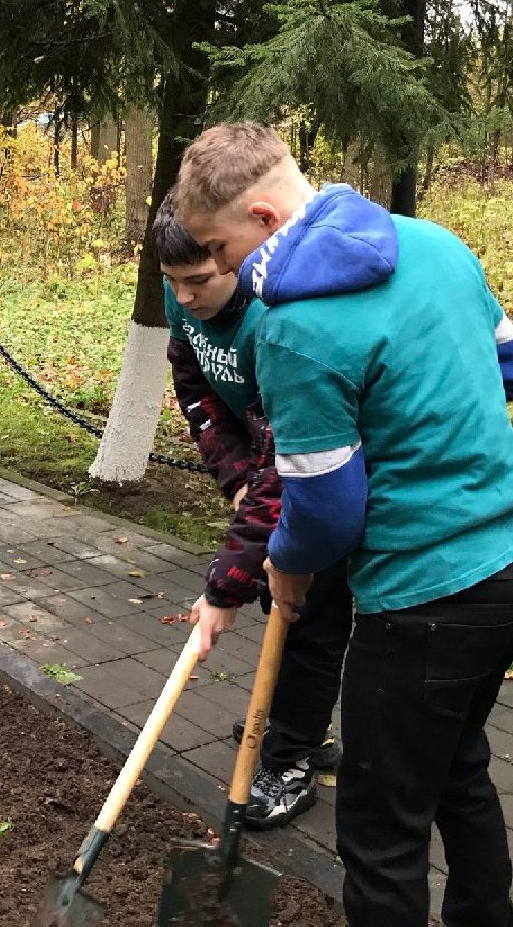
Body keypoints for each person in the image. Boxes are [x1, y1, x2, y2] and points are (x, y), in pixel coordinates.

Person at [174, 122, 513, 927]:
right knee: (455, 773)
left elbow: (328, 513)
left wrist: (285, 563)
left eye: (220, 247)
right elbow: (512, 369)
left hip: (422, 605)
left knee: (379, 832)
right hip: (511, 570)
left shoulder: (298, 330)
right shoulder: (437, 244)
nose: (224, 269)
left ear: (265, 218)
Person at [154, 201, 350, 829]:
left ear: (233, 257)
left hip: (332, 476)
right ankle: (295, 718)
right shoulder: (180, 296)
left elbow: (288, 449)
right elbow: (197, 391)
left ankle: (294, 756)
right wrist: (238, 477)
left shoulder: (276, 319)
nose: (184, 297)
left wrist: (221, 586)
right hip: (272, 462)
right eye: (172, 280)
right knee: (282, 604)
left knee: (314, 614)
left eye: (200, 281)